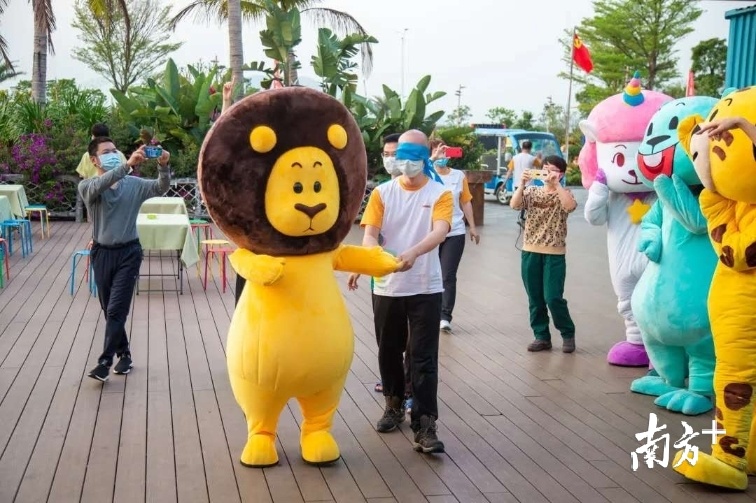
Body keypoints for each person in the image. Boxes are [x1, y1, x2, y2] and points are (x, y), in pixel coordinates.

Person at [360, 129, 452, 453]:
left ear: (425, 157)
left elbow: (440, 231)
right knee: (389, 350)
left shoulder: (440, 193)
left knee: (423, 356)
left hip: (426, 286)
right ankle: (394, 403)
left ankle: (425, 424)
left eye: (414, 155)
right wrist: (370, 260)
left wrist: (414, 252)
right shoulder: (382, 193)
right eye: (402, 155)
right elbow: (369, 235)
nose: (406, 162)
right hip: (388, 286)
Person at [79, 137, 172, 382]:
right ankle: (125, 355)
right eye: (106, 152)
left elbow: (160, 187)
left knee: (116, 309)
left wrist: (163, 165)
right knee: (108, 308)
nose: (112, 154)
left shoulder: (133, 184)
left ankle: (104, 362)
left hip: (129, 253)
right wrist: (127, 166)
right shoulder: (88, 186)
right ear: (94, 160)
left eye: (115, 150)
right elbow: (101, 185)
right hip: (102, 253)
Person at [348, 133, 413, 412]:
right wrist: (362, 265)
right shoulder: (381, 192)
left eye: (395, 153)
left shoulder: (430, 190)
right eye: (386, 154)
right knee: (388, 341)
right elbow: (370, 235)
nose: (390, 159)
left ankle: (409, 389)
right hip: (384, 279)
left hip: (418, 280)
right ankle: (393, 391)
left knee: (414, 341)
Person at [510, 155, 578, 353]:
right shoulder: (532, 191)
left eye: (553, 169)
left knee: (553, 297)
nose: (548, 172)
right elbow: (514, 205)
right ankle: (541, 336)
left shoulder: (565, 193)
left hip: (554, 253)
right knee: (535, 298)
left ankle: (567, 333)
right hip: (530, 251)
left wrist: (557, 185)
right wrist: (522, 184)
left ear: (561, 174)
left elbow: (570, 207)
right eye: (545, 168)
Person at [429, 140, 481, 332]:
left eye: (445, 151)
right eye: (437, 151)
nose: (442, 155)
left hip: (455, 231)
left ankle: (445, 316)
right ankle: (429, 312)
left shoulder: (458, 176)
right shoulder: (426, 173)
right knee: (429, 273)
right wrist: (431, 160)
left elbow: (465, 201)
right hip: (430, 232)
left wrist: (472, 227)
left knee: (447, 275)